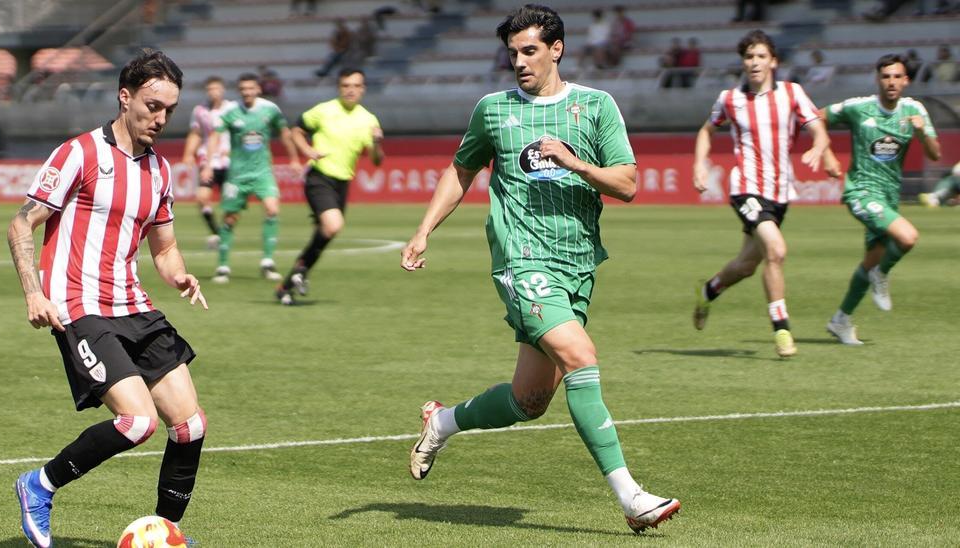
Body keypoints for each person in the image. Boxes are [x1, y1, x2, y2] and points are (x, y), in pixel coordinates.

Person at [401, 4, 680, 534]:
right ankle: (631, 497)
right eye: (513, 54)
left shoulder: (596, 107)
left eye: (529, 51)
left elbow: (627, 184)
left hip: (577, 264)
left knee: (529, 400)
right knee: (581, 356)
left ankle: (442, 421)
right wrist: (423, 230)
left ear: (557, 49)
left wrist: (576, 162)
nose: (520, 63)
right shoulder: (493, 109)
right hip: (521, 261)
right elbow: (460, 173)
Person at [6, 50, 209, 548]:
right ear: (125, 97)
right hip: (78, 305)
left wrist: (180, 275)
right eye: (152, 105)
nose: (160, 118)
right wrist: (34, 293)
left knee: (190, 426)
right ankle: (40, 485)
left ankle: (166, 534)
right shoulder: (79, 153)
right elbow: (20, 223)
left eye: (169, 110)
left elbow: (164, 248)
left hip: (133, 305)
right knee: (137, 422)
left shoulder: (160, 170)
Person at [691, 30, 831, 358]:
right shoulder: (730, 99)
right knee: (776, 249)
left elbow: (818, 127)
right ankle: (782, 329)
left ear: (773, 62)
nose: (754, 63)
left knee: (746, 265)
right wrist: (700, 164)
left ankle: (708, 290)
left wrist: (819, 146)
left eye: (760, 57)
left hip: (780, 193)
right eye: (749, 57)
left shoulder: (793, 94)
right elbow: (706, 130)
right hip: (746, 189)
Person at [819, 53, 942, 344]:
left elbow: (935, 154)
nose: (891, 82)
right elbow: (815, 117)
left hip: (888, 196)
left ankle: (841, 320)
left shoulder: (914, 110)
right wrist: (825, 152)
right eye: (886, 76)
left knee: (869, 261)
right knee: (908, 237)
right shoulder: (858, 107)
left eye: (897, 77)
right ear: (878, 79)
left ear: (906, 80)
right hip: (861, 191)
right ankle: (882, 274)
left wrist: (923, 133)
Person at [275, 68, 384, 305]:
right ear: (339, 87)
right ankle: (299, 275)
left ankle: (290, 281)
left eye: (355, 86)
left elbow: (376, 160)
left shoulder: (368, 119)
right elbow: (296, 130)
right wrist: (307, 151)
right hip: (319, 177)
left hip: (342, 183)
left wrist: (376, 143)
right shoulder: (324, 110)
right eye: (346, 85)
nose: (350, 90)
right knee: (333, 225)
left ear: (363, 89)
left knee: (327, 232)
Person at [202, 73, 302, 283]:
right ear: (240, 91)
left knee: (272, 209)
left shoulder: (270, 110)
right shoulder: (231, 111)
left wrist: (294, 158)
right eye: (243, 89)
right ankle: (222, 266)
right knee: (230, 218)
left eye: (251, 88)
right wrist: (209, 165)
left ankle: (267, 262)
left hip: (262, 171)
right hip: (237, 174)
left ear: (258, 89)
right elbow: (215, 136)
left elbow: (284, 133)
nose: (247, 92)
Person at [182, 76, 237, 250]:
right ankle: (217, 233)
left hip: (231, 161)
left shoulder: (233, 108)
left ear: (223, 90)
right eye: (210, 89)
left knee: (231, 204)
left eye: (217, 89)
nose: (214, 92)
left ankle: (224, 235)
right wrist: (189, 154)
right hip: (208, 161)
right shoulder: (200, 110)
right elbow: (196, 133)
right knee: (202, 197)